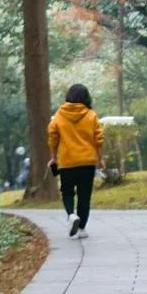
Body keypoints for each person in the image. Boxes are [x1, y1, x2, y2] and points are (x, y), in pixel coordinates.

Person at [47, 83, 104, 239]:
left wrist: (54, 157)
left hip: (66, 162)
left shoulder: (59, 115)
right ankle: (82, 229)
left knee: (67, 192)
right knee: (84, 196)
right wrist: (100, 159)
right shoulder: (91, 115)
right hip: (87, 162)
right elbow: (99, 138)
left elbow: (53, 137)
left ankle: (71, 215)